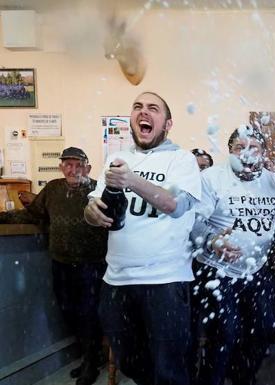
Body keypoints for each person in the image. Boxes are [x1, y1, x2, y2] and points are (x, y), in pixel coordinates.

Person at [84, 92, 201, 385]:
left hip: (165, 281)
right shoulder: (116, 158)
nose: (143, 112)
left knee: (169, 369)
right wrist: (91, 211)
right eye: (137, 107)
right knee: (130, 362)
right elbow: (95, 206)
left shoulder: (182, 160)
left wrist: (132, 180)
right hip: (118, 281)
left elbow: (175, 205)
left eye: (153, 108)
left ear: (168, 123)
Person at [190, 125, 275, 385]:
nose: (247, 153)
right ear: (230, 152)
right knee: (224, 334)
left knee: (264, 330)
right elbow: (194, 222)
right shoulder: (212, 178)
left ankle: (243, 376)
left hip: (257, 269)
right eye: (240, 147)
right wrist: (212, 239)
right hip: (217, 270)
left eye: (254, 148)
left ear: (263, 153)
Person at [0, 147, 108, 385]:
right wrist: (4, 217)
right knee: (68, 311)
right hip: (60, 263)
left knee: (88, 314)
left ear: (87, 168)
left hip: (91, 265)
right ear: (61, 167)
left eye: (78, 164)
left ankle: (91, 361)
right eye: (67, 164)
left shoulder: (98, 190)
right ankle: (92, 355)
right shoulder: (53, 189)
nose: (72, 169)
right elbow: (35, 214)